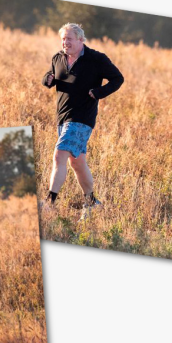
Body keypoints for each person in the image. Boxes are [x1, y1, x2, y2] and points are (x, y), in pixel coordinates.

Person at [41, 22, 124, 219]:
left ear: (80, 40)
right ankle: (92, 202)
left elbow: (117, 79)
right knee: (77, 163)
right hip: (62, 117)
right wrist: (47, 80)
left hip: (82, 118)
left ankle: (49, 202)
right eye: (63, 39)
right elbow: (50, 75)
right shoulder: (58, 58)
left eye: (69, 39)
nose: (65, 43)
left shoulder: (96, 59)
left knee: (59, 156)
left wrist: (99, 92)